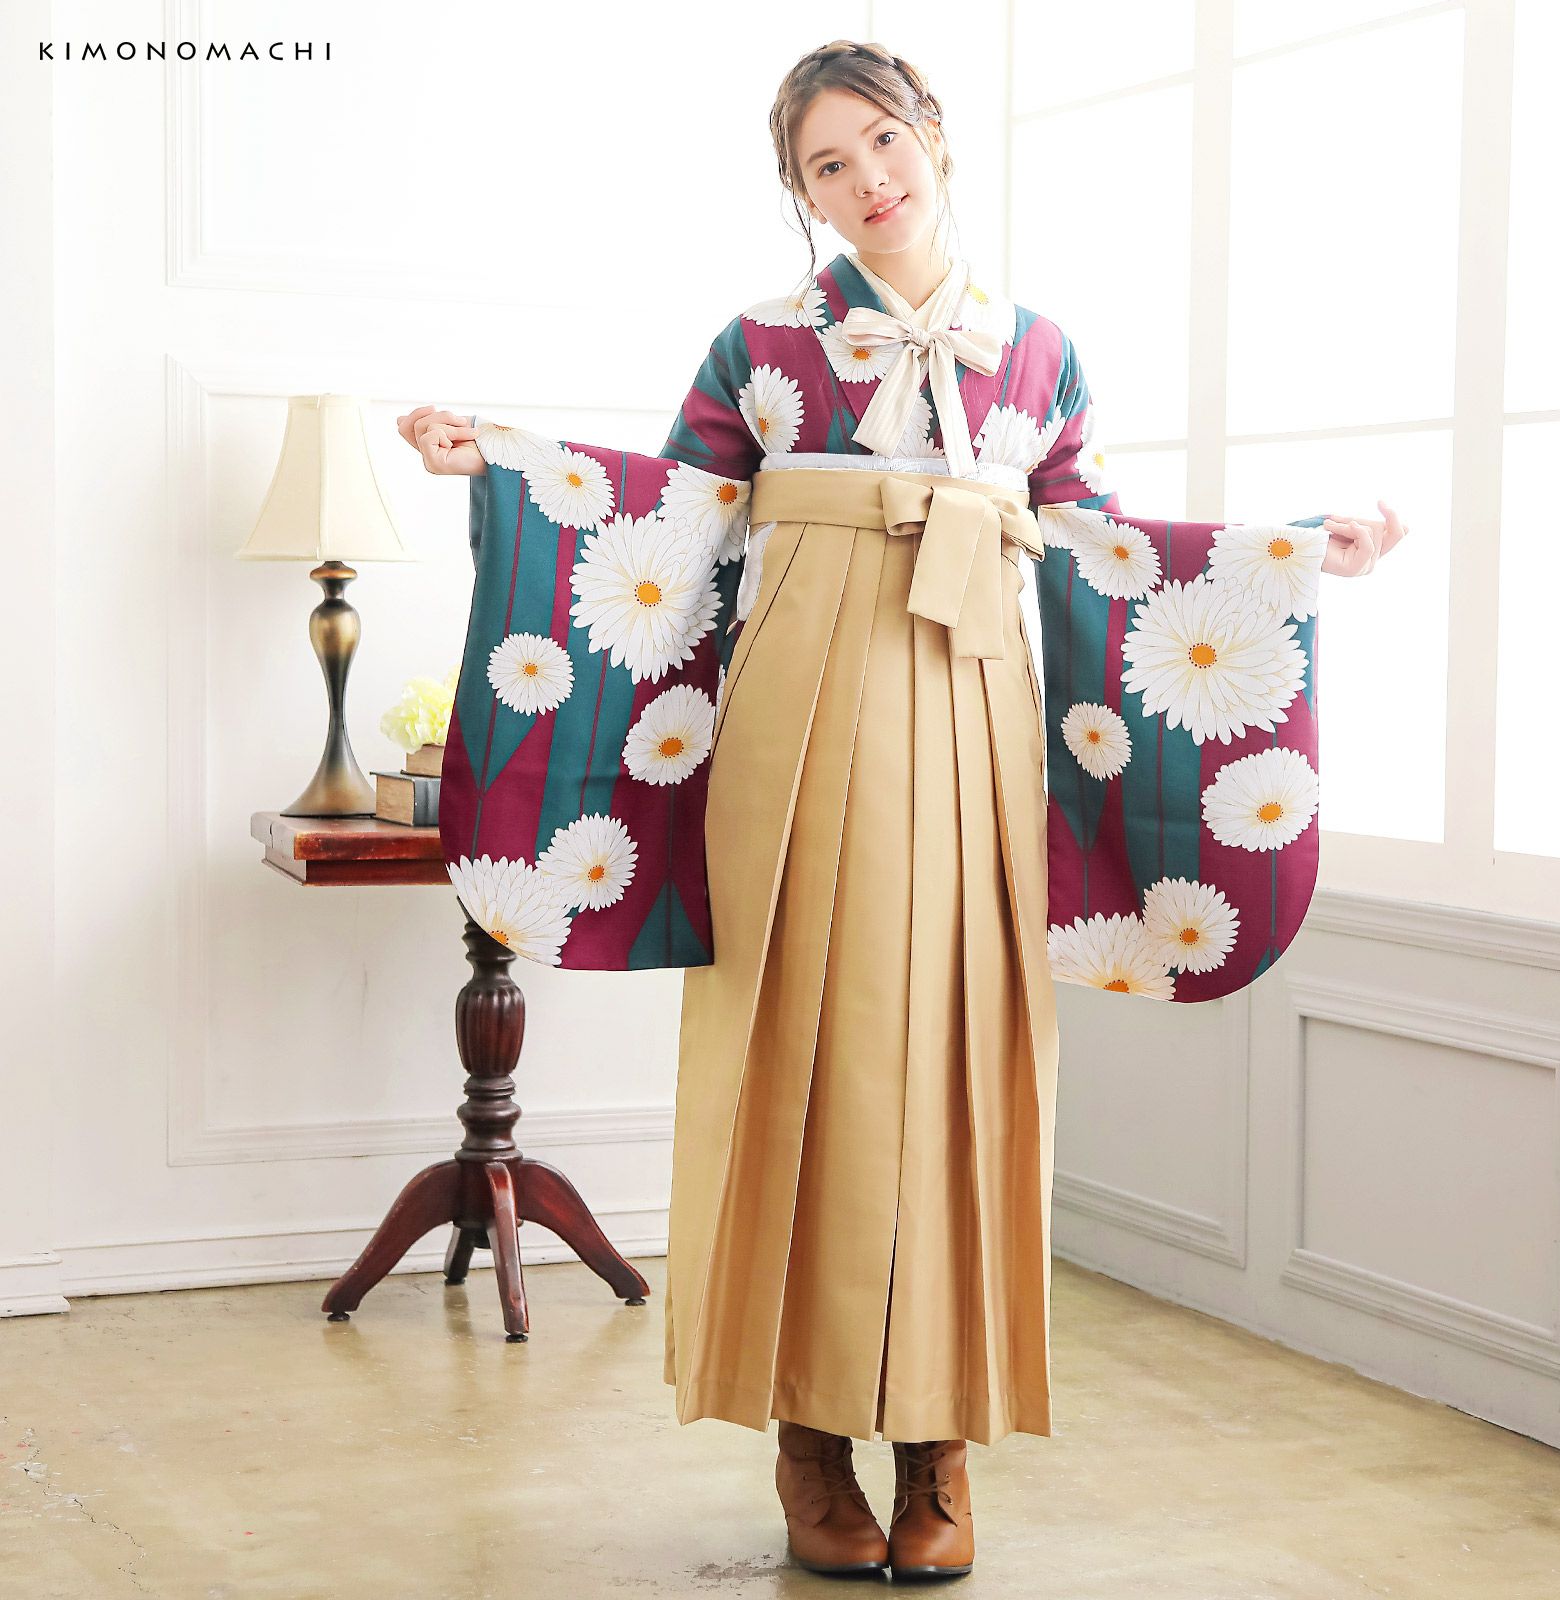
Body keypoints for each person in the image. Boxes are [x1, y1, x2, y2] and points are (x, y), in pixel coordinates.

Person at [399, 37, 1406, 1582]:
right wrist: (506, 464)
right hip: (796, 711)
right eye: (828, 165)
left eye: (882, 140)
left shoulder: (1040, 352)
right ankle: (808, 1436)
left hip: (975, 705)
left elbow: (1103, 548)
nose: (867, 178)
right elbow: (666, 516)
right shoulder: (760, 345)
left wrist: (1287, 552)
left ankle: (939, 1440)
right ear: (801, 194)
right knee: (798, 1048)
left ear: (931, 133)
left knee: (958, 1054)